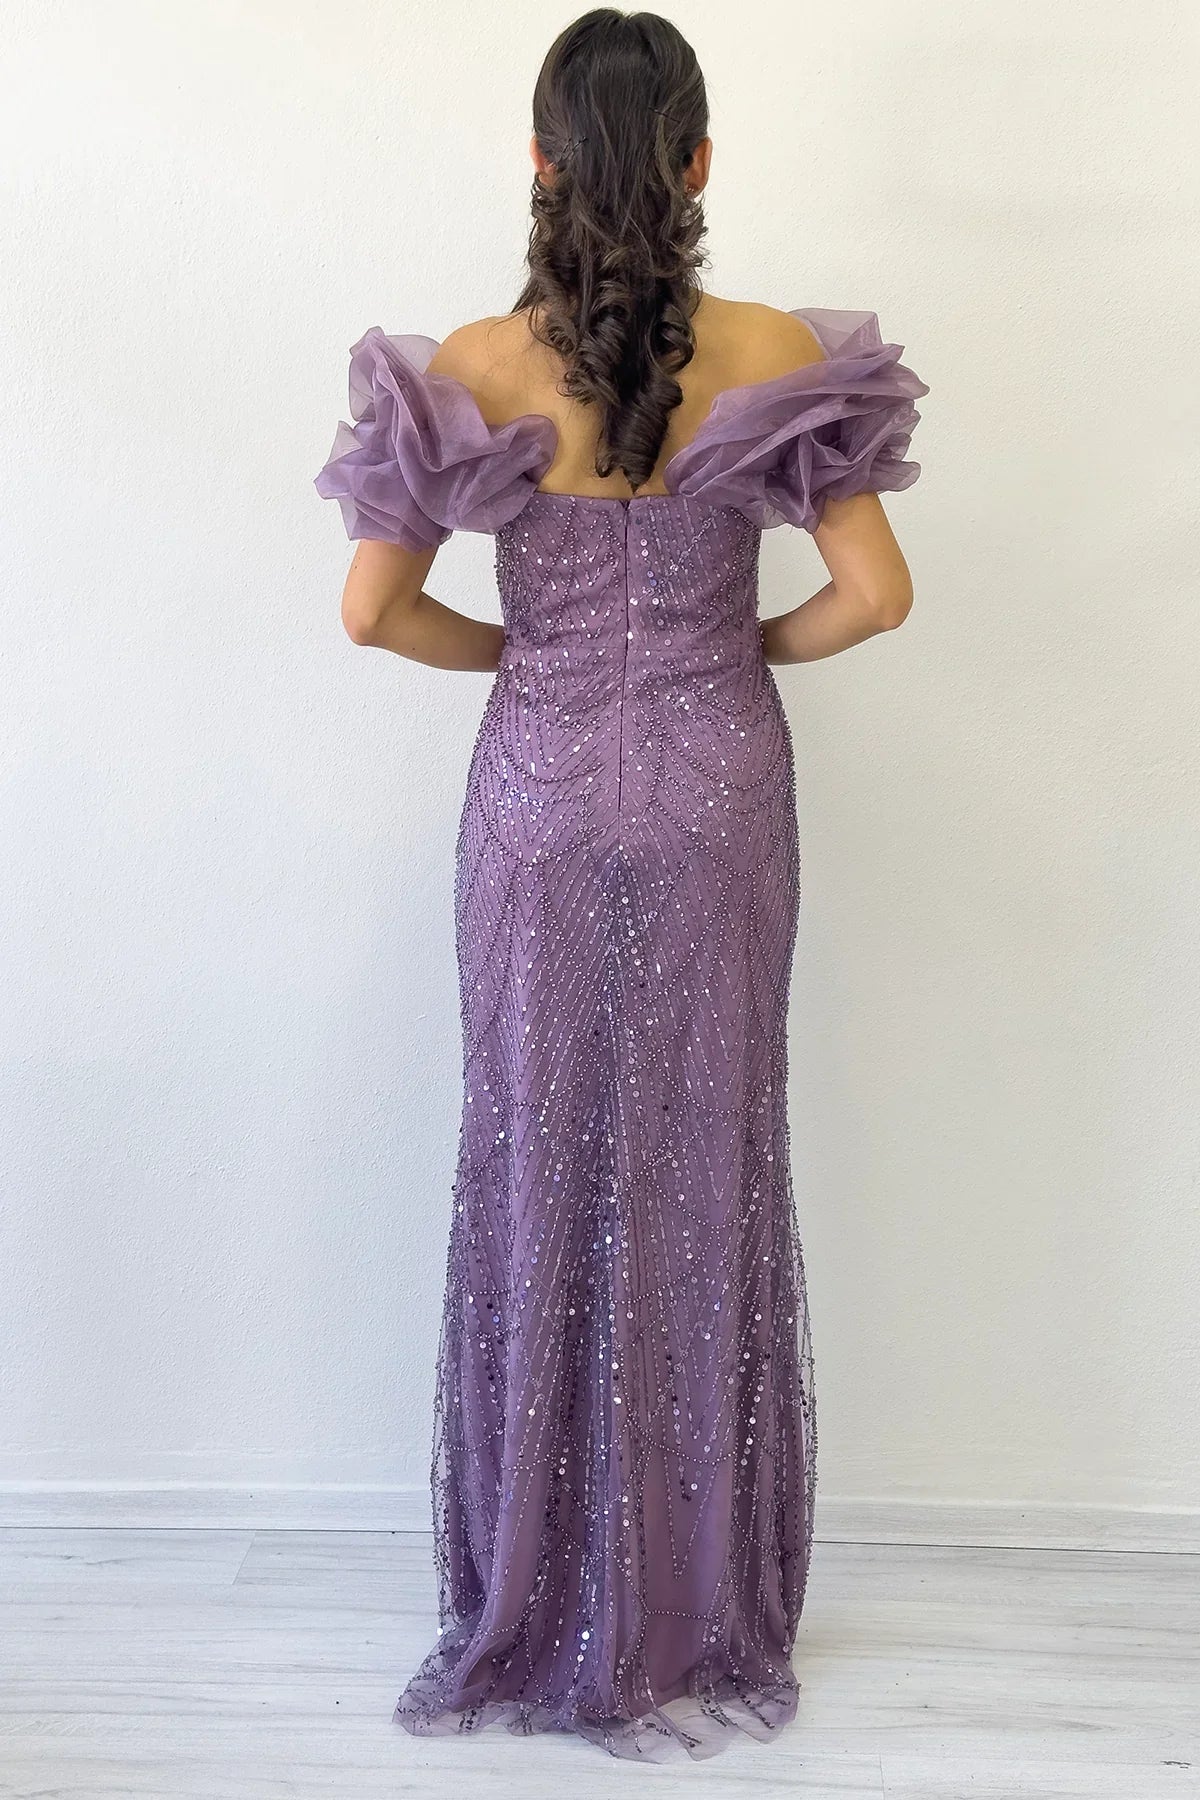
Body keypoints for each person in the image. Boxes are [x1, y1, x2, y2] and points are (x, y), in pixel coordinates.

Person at [313, 5, 928, 1765]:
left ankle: (537, 1589)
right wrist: (740, 650)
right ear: (701, 161)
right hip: (723, 791)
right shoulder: (774, 352)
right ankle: (696, 1600)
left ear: (538, 162)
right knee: (703, 1154)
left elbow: (371, 611)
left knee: (536, 1153)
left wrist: (525, 658)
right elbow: (878, 595)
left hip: (538, 796)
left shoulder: (473, 367)